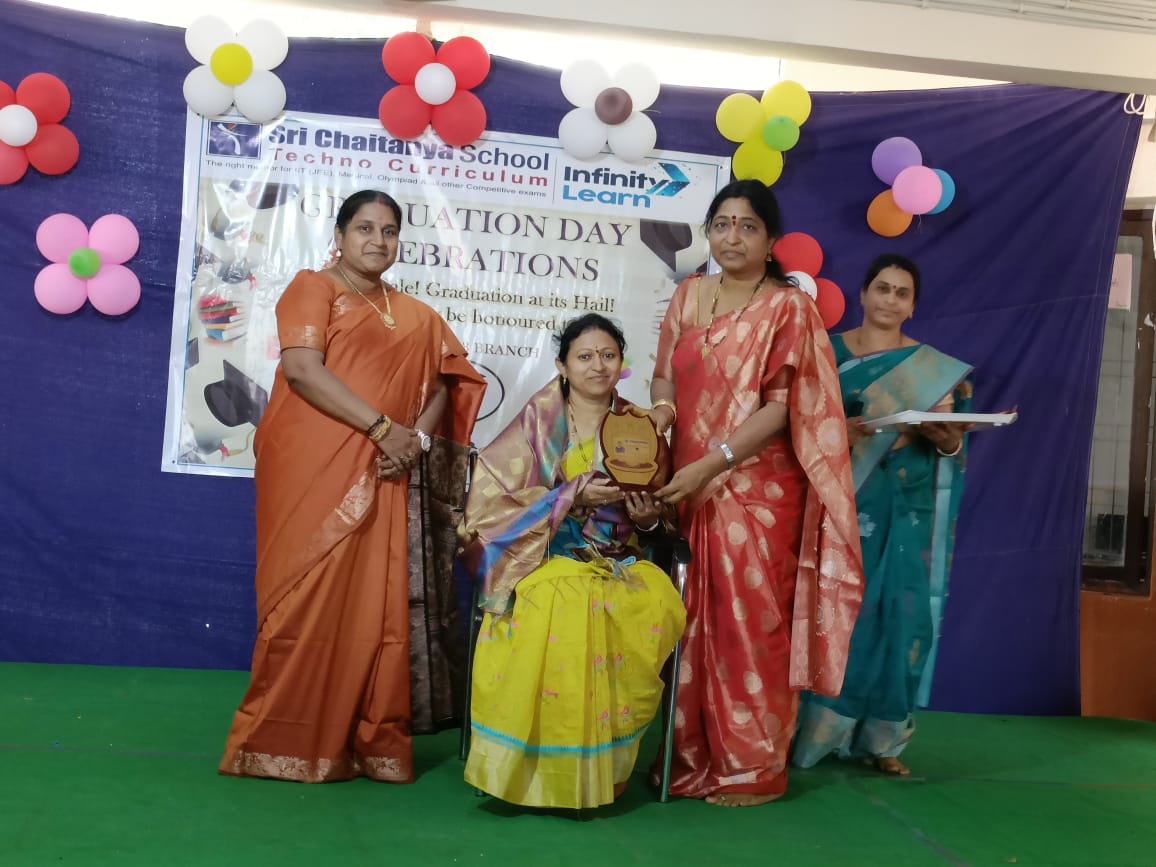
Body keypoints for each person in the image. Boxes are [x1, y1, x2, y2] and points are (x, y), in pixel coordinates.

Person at [219, 190, 486, 783]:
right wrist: (383, 430)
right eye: (364, 228)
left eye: (389, 231)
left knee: (375, 606)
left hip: (386, 469)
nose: (377, 241)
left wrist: (412, 444)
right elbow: (301, 370)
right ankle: (282, 739)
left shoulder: (417, 315)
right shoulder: (314, 288)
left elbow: (443, 385)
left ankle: (367, 741)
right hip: (311, 465)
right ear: (338, 236)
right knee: (303, 596)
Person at [648, 179, 864, 807]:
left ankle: (752, 768)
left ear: (771, 242)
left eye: (747, 226)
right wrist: (660, 419)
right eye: (721, 224)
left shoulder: (787, 308)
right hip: (688, 482)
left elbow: (780, 405)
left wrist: (715, 462)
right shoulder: (688, 296)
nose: (732, 236)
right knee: (691, 620)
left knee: (752, 623)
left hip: (757, 490)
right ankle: (691, 756)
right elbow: (664, 377)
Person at [459, 314, 686, 809]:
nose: (597, 365)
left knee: (651, 604)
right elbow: (493, 505)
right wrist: (570, 496)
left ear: (621, 363)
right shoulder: (537, 424)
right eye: (584, 356)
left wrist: (647, 519)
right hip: (543, 556)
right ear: (562, 366)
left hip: (621, 560)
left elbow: (665, 520)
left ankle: (601, 768)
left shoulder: (642, 428)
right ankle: (532, 767)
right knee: (558, 599)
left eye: (608, 355)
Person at [792, 253, 973, 776]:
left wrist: (945, 440)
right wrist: (837, 433)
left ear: (913, 306)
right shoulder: (825, 353)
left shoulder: (934, 371)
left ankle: (883, 738)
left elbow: (953, 449)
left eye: (902, 292)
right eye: (883, 288)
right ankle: (811, 736)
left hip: (906, 508)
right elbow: (797, 424)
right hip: (840, 503)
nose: (890, 300)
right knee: (835, 614)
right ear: (864, 294)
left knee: (901, 618)